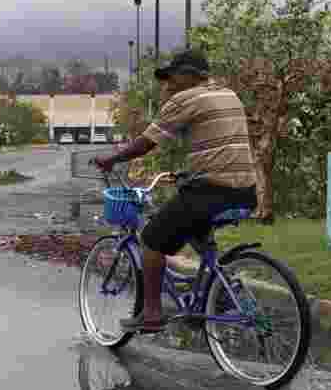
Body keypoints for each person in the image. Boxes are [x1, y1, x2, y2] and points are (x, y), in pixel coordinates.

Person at [92, 48, 258, 332]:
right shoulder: (228, 95)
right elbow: (220, 145)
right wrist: (191, 173)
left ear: (188, 76)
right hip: (245, 191)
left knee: (152, 237)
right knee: (191, 225)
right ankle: (217, 294)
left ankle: (152, 314)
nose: (167, 84)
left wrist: (111, 158)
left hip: (211, 191)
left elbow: (147, 143)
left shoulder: (185, 99)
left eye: (171, 77)